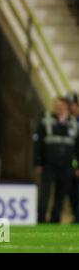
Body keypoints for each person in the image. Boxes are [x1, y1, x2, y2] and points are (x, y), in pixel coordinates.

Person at [34, 97, 79, 223]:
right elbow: (38, 144)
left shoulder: (73, 124)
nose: (59, 108)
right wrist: (38, 162)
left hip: (66, 166)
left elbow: (77, 147)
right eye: (57, 106)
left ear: (66, 108)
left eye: (62, 106)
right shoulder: (46, 121)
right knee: (45, 194)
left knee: (60, 195)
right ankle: (41, 219)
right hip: (49, 165)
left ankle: (55, 219)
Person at [66, 91, 79, 223]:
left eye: (71, 104)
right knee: (72, 193)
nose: (69, 107)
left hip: (77, 164)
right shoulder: (68, 121)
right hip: (70, 164)